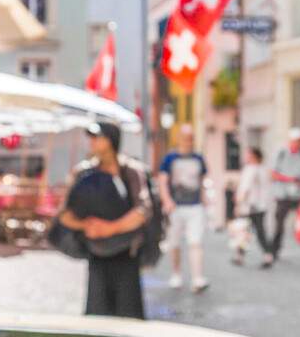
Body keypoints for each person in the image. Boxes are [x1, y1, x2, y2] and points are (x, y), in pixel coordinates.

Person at [56, 121, 153, 319]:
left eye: (97, 137)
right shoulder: (83, 172)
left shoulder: (131, 171)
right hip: (96, 253)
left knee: (128, 316)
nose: (91, 142)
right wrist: (87, 226)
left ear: (110, 140)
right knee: (97, 316)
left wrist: (110, 228)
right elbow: (65, 214)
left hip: (127, 253)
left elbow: (143, 210)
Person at [158, 124, 210, 293]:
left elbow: (201, 181)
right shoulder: (170, 158)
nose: (189, 141)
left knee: (196, 242)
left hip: (195, 206)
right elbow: (162, 181)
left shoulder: (198, 158)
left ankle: (197, 278)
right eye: (186, 137)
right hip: (175, 207)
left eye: (191, 137)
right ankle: (176, 273)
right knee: (174, 242)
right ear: (179, 138)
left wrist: (204, 200)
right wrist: (166, 200)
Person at [262, 128, 300, 267]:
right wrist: (289, 179)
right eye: (296, 141)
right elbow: (272, 174)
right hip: (283, 194)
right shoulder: (280, 153)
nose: (298, 144)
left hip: (299, 194)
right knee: (279, 225)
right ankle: (273, 251)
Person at [231, 145, 269, 266]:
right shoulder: (263, 169)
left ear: (254, 156)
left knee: (243, 231)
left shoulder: (250, 169)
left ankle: (240, 256)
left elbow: (246, 189)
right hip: (260, 205)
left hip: (249, 206)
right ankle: (267, 255)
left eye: (248, 154)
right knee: (257, 231)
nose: (246, 156)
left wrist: (238, 204)